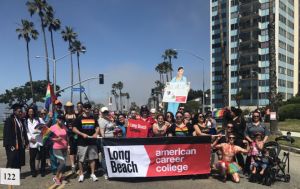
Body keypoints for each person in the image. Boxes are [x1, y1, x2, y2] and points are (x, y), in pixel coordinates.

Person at [73, 102, 99, 182]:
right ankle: (81, 174)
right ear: (83, 109)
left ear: (90, 108)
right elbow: (74, 129)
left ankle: (92, 174)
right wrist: (81, 134)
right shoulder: (79, 118)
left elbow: (97, 127)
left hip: (92, 142)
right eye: (86, 107)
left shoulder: (94, 117)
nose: (87, 109)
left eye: (89, 107)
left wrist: (96, 133)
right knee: (81, 159)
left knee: (92, 158)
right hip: (82, 142)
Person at [3, 104, 29, 172]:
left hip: (20, 144)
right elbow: (7, 134)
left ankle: (17, 174)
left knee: (19, 160)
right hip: (12, 145)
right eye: (19, 111)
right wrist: (9, 145)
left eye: (21, 111)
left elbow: (24, 133)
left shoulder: (21, 121)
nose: (20, 113)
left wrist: (26, 142)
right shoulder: (10, 120)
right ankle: (10, 176)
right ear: (14, 112)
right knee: (12, 160)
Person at [244, 110, 270, 174]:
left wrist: (263, 141)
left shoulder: (263, 125)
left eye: (257, 116)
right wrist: (250, 140)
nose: (256, 117)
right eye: (254, 116)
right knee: (250, 156)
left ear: (259, 117)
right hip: (252, 142)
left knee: (261, 155)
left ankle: (261, 168)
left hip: (261, 143)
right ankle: (248, 170)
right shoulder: (249, 125)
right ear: (252, 116)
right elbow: (245, 134)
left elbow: (267, 134)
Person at [26, 106, 46, 177]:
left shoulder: (39, 119)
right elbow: (27, 132)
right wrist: (30, 138)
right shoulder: (26, 121)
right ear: (27, 113)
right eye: (29, 112)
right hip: (32, 142)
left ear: (34, 112)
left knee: (43, 157)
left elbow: (45, 127)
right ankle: (33, 172)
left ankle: (43, 171)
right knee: (32, 158)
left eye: (32, 111)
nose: (31, 113)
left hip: (40, 141)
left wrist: (41, 132)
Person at [50, 114, 68, 185]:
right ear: (57, 119)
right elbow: (47, 137)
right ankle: (56, 177)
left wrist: (68, 145)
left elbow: (66, 137)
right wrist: (56, 139)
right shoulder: (53, 127)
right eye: (60, 118)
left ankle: (60, 177)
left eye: (63, 119)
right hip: (56, 148)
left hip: (64, 147)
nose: (61, 120)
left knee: (63, 164)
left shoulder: (64, 127)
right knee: (62, 163)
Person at [64, 101, 77, 173]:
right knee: (71, 150)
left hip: (75, 134)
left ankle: (76, 163)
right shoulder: (64, 115)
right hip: (68, 135)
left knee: (76, 149)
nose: (69, 108)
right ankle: (72, 165)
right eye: (67, 107)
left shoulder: (75, 115)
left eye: (70, 107)